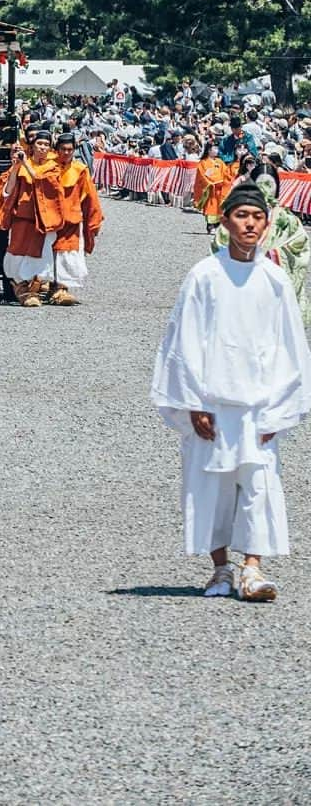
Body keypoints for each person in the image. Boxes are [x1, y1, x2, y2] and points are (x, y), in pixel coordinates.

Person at [151, 183, 311, 601]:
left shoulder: (275, 279)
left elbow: (290, 344)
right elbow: (183, 339)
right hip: (213, 402)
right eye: (241, 216)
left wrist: (281, 409)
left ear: (266, 222)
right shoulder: (204, 275)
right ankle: (220, 568)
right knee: (212, 486)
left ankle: (253, 570)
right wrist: (193, 402)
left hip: (259, 404)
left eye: (257, 217)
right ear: (225, 222)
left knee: (259, 483)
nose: (250, 224)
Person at [211, 163, 311, 326]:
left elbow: (300, 245)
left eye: (269, 184)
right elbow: (219, 243)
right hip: (240, 284)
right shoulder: (238, 215)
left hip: (274, 286)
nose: (266, 190)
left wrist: (272, 256)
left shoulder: (287, 219)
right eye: (261, 184)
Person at [0, 126, 63, 307]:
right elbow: (8, 190)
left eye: (46, 144)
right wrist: (16, 167)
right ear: (32, 146)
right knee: (17, 251)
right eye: (39, 143)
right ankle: (20, 287)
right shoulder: (21, 165)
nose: (42, 147)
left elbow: (39, 179)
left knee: (40, 254)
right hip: (22, 215)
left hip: (41, 219)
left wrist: (25, 164)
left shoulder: (52, 167)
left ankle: (33, 288)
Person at [48, 131, 104, 305]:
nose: (66, 153)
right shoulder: (48, 167)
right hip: (49, 218)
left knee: (67, 254)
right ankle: (47, 285)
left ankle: (62, 288)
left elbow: (90, 197)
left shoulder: (80, 170)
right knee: (47, 253)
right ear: (56, 150)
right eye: (63, 149)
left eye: (70, 150)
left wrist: (94, 219)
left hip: (71, 218)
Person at [193, 142, 231, 234]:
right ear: (209, 150)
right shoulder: (203, 162)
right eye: (215, 149)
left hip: (220, 188)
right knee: (210, 208)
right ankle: (210, 226)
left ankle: (217, 224)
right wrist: (209, 183)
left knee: (220, 208)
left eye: (217, 149)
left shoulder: (220, 162)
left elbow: (226, 173)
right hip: (210, 189)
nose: (217, 151)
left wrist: (226, 181)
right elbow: (201, 175)